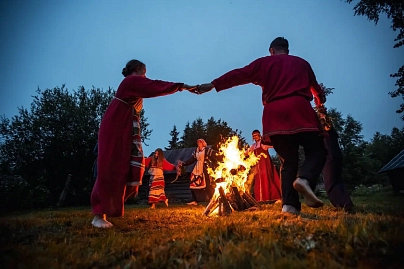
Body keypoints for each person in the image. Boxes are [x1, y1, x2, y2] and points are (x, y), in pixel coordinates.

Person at [195, 37, 327, 214]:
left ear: (271, 50)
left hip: (275, 115)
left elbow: (239, 74)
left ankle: (289, 206)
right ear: (287, 50)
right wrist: (319, 102)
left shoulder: (264, 63)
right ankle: (305, 179)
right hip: (300, 111)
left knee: (288, 161)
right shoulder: (302, 63)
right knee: (317, 150)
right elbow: (316, 89)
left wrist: (213, 84)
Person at [91, 59, 196, 228]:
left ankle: (108, 208)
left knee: (127, 168)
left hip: (125, 127)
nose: (145, 77)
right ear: (138, 69)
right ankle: (98, 214)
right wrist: (181, 86)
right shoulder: (131, 81)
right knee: (110, 168)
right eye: (144, 73)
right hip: (116, 127)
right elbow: (154, 86)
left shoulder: (131, 84)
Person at [316, 105, 355, 213]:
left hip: (330, 156)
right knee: (338, 180)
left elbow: (324, 122)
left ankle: (342, 206)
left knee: (331, 182)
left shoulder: (326, 130)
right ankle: (347, 204)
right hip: (336, 156)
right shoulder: (330, 131)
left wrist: (321, 113)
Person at [245, 130, 281, 202]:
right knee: (258, 180)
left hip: (265, 164)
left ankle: (272, 197)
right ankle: (260, 198)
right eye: (254, 136)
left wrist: (272, 144)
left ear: (259, 135)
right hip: (257, 165)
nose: (255, 137)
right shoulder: (253, 146)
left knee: (266, 178)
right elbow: (246, 153)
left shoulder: (263, 143)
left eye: (256, 135)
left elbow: (273, 145)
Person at [180, 139, 218, 205]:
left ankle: (212, 198)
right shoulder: (196, 151)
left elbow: (214, 154)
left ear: (203, 143)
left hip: (205, 168)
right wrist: (183, 163)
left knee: (207, 184)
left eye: (200, 142)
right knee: (192, 183)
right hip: (197, 169)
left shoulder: (206, 149)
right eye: (198, 142)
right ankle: (194, 200)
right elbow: (191, 160)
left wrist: (221, 154)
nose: (198, 143)